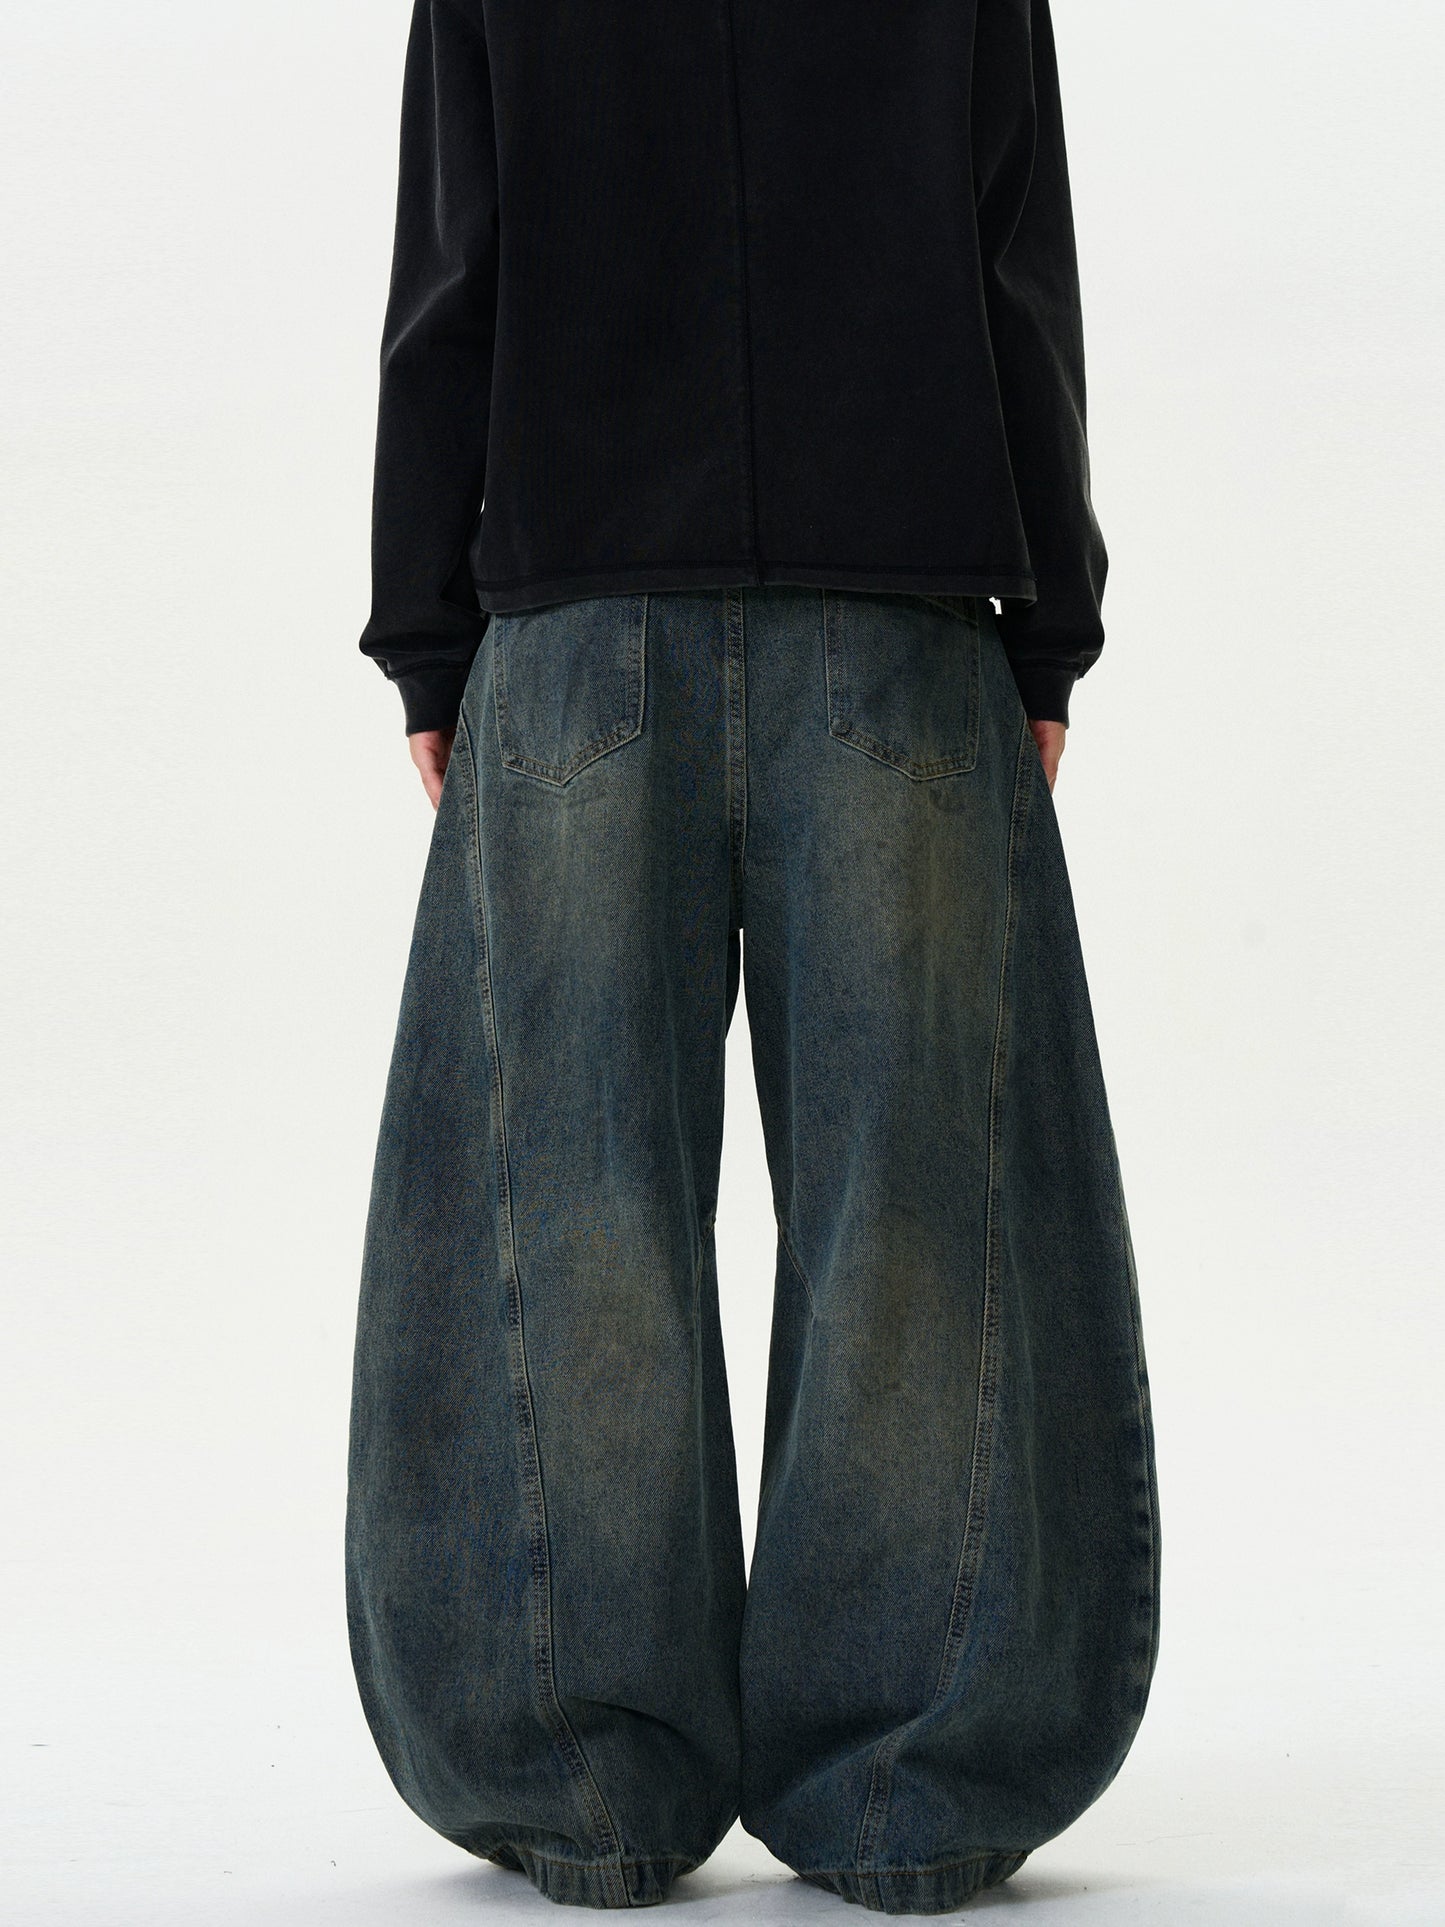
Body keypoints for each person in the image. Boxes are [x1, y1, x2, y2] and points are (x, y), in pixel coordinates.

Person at [344, 0, 1160, 1914]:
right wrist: (1045, 621)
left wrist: (427, 629)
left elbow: (451, 278)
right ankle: (910, 1777)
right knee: (918, 1206)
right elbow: (1014, 265)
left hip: (578, 614)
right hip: (901, 615)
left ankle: (577, 1776)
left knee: (566, 1204)